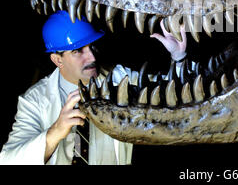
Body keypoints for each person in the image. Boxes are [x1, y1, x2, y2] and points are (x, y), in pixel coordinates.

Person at [0, 10, 187, 165]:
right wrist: (55, 131)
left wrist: (179, 57)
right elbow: (8, 160)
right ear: (58, 60)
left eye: (91, 47)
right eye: (78, 51)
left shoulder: (120, 78)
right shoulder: (34, 100)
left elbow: (174, 94)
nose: (92, 58)